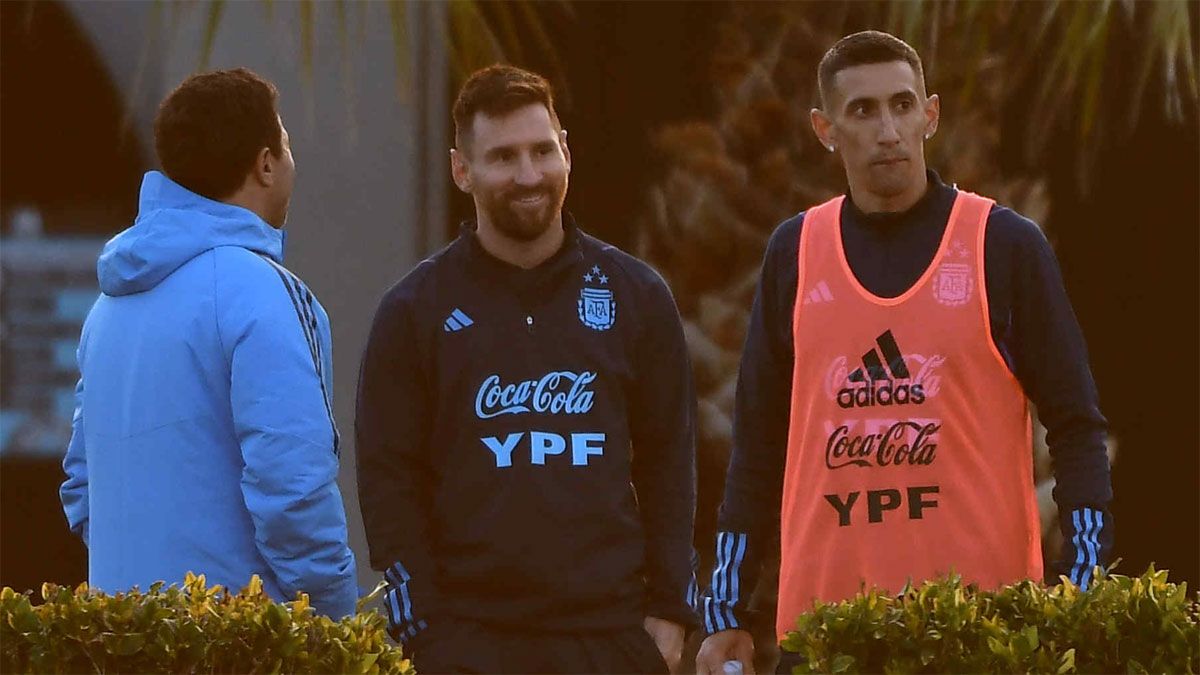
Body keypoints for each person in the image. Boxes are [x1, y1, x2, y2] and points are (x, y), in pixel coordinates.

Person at [696, 31, 1113, 675]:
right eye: (861, 111)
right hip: (826, 631)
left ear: (931, 114)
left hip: (981, 628)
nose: (887, 129)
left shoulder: (1002, 244)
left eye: (901, 104)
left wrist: (1078, 585)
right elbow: (757, 443)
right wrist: (725, 611)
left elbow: (1077, 425)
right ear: (824, 128)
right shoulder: (795, 252)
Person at [356, 64, 698, 673]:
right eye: (504, 157)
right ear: (462, 170)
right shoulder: (414, 311)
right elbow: (388, 485)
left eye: (544, 150)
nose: (529, 175)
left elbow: (670, 462)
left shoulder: (637, 295)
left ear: (567, 151)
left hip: (612, 639)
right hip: (468, 644)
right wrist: (425, 634)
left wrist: (670, 612)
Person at [59, 68, 358, 618]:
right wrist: (336, 621)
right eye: (286, 145)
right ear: (265, 164)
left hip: (121, 640)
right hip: (236, 645)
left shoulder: (106, 310)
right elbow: (294, 492)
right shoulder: (263, 292)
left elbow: (81, 487)